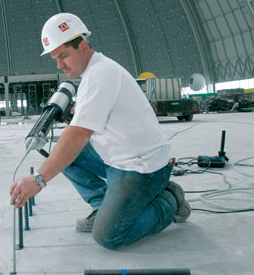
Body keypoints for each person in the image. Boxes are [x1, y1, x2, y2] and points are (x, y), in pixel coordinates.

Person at [10, 13, 190, 249]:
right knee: (62, 153)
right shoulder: (94, 72)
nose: (59, 65)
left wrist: (39, 180)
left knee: (108, 236)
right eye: (55, 58)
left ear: (83, 46)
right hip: (118, 158)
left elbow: (78, 135)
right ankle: (102, 204)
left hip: (141, 169)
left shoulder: (100, 76)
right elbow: (81, 131)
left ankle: (168, 202)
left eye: (63, 56)